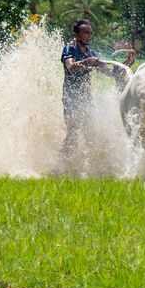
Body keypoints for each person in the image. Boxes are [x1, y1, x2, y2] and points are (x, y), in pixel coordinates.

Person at [58, 19, 103, 173]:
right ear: (77, 34)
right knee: (74, 130)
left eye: (91, 33)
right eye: (85, 32)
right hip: (71, 97)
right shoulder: (70, 48)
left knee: (91, 132)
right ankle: (60, 165)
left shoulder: (91, 53)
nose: (89, 36)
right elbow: (70, 67)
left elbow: (109, 71)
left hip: (86, 98)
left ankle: (87, 167)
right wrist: (85, 62)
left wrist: (127, 63)